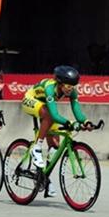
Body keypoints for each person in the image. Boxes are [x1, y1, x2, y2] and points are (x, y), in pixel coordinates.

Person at [21, 65, 94, 197]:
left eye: (73, 86)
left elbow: (77, 110)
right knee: (48, 114)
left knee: (55, 145)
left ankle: (44, 178)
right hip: (31, 100)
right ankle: (36, 148)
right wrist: (70, 123)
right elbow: (54, 115)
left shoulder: (71, 91)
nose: (70, 89)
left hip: (46, 107)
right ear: (60, 84)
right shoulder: (50, 88)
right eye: (67, 86)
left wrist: (85, 122)